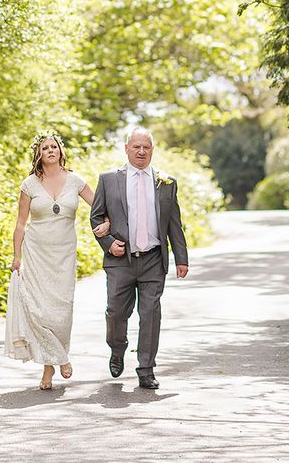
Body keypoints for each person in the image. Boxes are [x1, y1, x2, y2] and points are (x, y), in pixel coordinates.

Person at [4, 132, 110, 390]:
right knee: (39, 310)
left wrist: (107, 221)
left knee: (61, 310)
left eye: (54, 147)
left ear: (61, 152)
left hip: (64, 253)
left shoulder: (75, 181)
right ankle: (50, 367)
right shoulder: (29, 184)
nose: (50, 150)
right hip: (37, 251)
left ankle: (58, 356)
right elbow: (20, 224)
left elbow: (99, 206)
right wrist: (16, 256)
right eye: (45, 148)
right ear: (39, 155)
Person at [90, 127, 189, 389]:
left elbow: (174, 223)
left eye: (146, 147)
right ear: (127, 148)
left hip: (153, 260)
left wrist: (182, 258)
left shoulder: (166, 182)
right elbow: (96, 217)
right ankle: (117, 348)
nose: (141, 151)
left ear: (152, 150)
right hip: (121, 260)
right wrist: (109, 244)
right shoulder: (109, 179)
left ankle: (146, 369)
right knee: (115, 313)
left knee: (150, 314)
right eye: (136, 146)